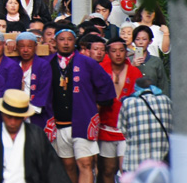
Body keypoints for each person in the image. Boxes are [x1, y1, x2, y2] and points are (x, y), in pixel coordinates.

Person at [47, 24, 115, 183]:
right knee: (68, 165)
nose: (65, 43)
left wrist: (96, 107)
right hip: (58, 122)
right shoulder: (48, 63)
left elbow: (106, 85)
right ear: (54, 41)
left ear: (75, 41)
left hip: (83, 120)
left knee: (85, 163)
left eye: (69, 40)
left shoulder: (86, 62)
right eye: (61, 39)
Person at [0, 89, 71, 183]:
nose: (12, 122)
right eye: (9, 117)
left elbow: (53, 172)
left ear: (24, 117)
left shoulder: (36, 136)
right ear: (2, 114)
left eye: (17, 118)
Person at [97, 37, 143, 183]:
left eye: (121, 51)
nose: (118, 54)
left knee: (126, 169)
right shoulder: (101, 71)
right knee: (108, 169)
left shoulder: (135, 72)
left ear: (126, 52)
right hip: (106, 127)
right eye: (114, 51)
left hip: (127, 129)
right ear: (108, 53)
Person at [118, 77, 172, 173]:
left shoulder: (128, 103)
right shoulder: (166, 100)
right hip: (160, 165)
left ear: (136, 88)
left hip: (135, 164)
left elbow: (123, 130)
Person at [11, 31, 52, 129]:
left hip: (36, 113)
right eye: (22, 46)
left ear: (35, 46)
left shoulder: (43, 65)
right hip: (14, 112)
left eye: (29, 47)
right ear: (17, 47)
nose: (25, 50)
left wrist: (27, 112)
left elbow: (44, 90)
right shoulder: (13, 64)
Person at [131, 25, 169, 92]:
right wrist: (132, 66)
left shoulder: (156, 61)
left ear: (150, 41)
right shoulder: (128, 61)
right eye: (137, 39)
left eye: (144, 39)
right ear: (134, 42)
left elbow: (163, 85)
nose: (140, 42)